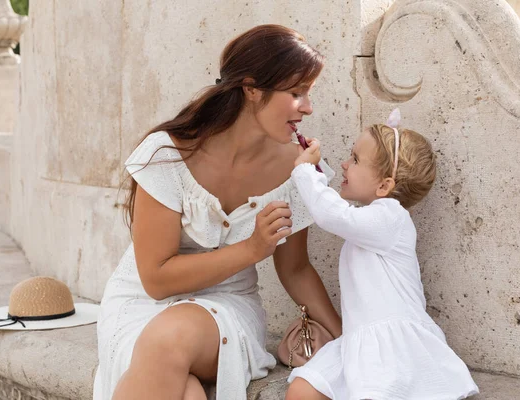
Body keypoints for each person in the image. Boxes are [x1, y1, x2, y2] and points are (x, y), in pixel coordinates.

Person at [92, 24, 342, 400]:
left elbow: (295, 268)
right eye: (296, 93)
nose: (308, 107)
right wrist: (251, 249)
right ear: (252, 88)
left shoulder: (298, 170)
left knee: (165, 341)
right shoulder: (167, 154)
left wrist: (350, 340)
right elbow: (156, 279)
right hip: (141, 304)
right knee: (187, 392)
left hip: (226, 306)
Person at [285, 113, 480, 399]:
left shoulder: (392, 218)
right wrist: (315, 173)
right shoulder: (372, 221)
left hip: (391, 346)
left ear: (384, 187)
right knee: (301, 390)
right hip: (359, 341)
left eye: (354, 159)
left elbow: (333, 215)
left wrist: (303, 172)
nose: (344, 164)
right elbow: (337, 211)